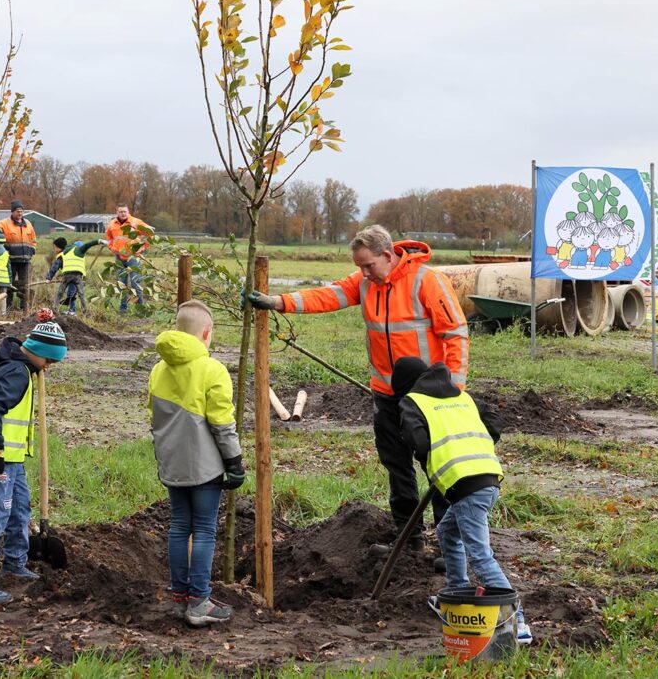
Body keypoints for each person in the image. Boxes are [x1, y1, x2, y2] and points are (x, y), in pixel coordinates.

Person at [247, 225, 469, 560]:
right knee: (397, 467)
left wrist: (453, 388)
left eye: (368, 265)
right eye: (359, 267)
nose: (363, 273)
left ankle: (451, 547)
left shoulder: (426, 281)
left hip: (431, 395)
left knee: (438, 467)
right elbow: (327, 295)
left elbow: (456, 334)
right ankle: (408, 541)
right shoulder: (364, 282)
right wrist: (279, 302)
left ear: (387, 254)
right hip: (386, 394)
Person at [392, 356, 532, 645]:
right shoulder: (461, 396)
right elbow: (493, 420)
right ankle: (457, 592)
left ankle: (516, 620)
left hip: (465, 485)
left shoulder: (412, 402)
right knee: (446, 531)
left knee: (480, 556)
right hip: (489, 477)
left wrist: (428, 455)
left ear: (405, 386)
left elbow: (417, 441)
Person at [148, 299, 244, 626]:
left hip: (172, 463)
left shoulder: (158, 369)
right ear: (206, 333)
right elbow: (221, 423)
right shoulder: (212, 369)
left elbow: (156, 419)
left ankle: (179, 597)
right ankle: (199, 601)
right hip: (205, 467)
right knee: (203, 530)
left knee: (178, 526)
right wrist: (235, 462)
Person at [0, 322, 68, 605]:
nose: (47, 368)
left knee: (20, 508)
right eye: (47, 360)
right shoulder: (16, 374)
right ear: (36, 352)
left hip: (13, 458)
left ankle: (15, 562)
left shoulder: (22, 368)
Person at [105, 205, 154, 313]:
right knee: (121, 283)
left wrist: (142, 248)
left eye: (125, 211)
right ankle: (123, 309)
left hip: (133, 257)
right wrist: (111, 247)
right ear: (117, 212)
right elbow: (109, 238)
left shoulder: (136, 222)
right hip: (119, 257)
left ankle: (141, 309)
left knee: (134, 282)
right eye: (120, 211)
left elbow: (150, 233)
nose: (123, 213)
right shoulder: (112, 224)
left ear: (128, 212)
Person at [45, 237, 104, 316]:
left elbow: (55, 267)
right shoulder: (75, 252)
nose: (54, 249)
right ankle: (85, 312)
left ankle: (59, 310)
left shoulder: (63, 254)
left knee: (64, 293)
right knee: (80, 294)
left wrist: (49, 278)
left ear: (59, 247)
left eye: (55, 247)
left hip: (67, 276)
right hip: (77, 276)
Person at [0, 200, 37, 311]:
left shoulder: (28, 224)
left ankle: (25, 308)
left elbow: (33, 239)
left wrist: (32, 250)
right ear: (13, 212)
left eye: (22, 211)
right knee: (9, 284)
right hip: (10, 261)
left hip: (25, 261)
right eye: (18, 211)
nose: (20, 213)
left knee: (25, 285)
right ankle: (8, 307)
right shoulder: (4, 223)